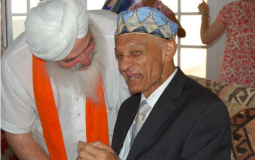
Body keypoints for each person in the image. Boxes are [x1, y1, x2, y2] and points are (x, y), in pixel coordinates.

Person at [76, 7, 231, 160]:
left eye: (136, 52)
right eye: (120, 55)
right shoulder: (128, 107)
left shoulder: (205, 111)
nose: (123, 65)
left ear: (168, 50)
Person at [0, 0, 130, 159]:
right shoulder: (15, 64)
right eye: (71, 60)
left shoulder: (119, 36)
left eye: (89, 45)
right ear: (48, 60)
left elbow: (144, 108)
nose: (86, 61)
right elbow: (18, 132)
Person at [198, 0, 255, 88]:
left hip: (231, 75)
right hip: (235, 76)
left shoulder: (230, 9)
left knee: (228, 100)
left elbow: (206, 38)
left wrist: (205, 14)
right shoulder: (230, 9)